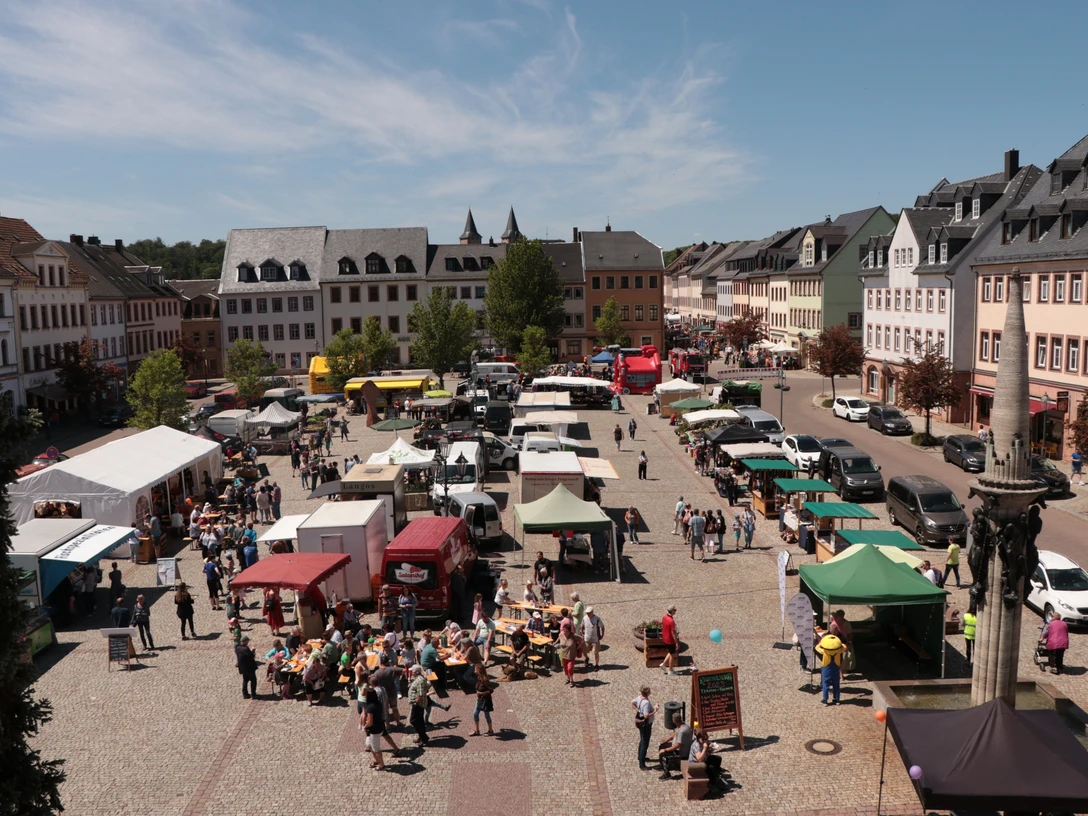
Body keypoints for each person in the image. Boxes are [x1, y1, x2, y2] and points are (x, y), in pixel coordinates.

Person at [657, 711, 693, 779]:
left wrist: (665, 750)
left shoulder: (683, 731)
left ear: (673, 721)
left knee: (663, 755)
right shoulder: (681, 725)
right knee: (661, 746)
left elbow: (677, 745)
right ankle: (663, 765)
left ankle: (667, 773)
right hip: (676, 747)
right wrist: (665, 741)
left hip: (681, 753)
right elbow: (675, 733)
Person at [632, 686, 659, 771]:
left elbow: (632, 702)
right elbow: (646, 715)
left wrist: (638, 710)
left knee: (642, 739)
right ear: (648, 693)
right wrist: (655, 710)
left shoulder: (639, 698)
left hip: (640, 722)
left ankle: (640, 757)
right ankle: (642, 764)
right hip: (646, 724)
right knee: (645, 742)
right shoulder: (646, 703)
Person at [815, 633, 846, 705]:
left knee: (825, 684)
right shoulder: (839, 650)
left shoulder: (825, 651)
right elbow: (844, 646)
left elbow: (817, 647)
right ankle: (837, 699)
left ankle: (825, 700)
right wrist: (838, 643)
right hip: (836, 668)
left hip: (826, 668)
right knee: (836, 684)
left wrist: (822, 642)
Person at [406, 665, 433, 746]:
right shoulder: (418, 678)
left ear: (416, 672)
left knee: (413, 721)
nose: (411, 672)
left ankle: (424, 738)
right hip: (418, 704)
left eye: (413, 671)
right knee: (419, 721)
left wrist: (416, 703)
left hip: (418, 704)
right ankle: (421, 736)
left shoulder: (420, 680)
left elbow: (420, 694)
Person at [471, 665, 495, 736]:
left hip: (485, 701)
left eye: (476, 669)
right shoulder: (479, 678)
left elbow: (491, 690)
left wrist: (482, 693)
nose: (474, 671)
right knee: (475, 713)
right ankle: (477, 730)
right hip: (479, 700)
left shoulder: (485, 680)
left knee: (487, 715)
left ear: (479, 671)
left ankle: (490, 730)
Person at [236, 635, 259, 699]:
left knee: (245, 680)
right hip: (249, 667)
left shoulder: (237, 648)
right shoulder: (246, 648)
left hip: (243, 668)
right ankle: (253, 694)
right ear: (245, 641)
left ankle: (245, 693)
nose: (248, 642)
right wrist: (253, 650)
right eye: (247, 641)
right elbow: (252, 656)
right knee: (253, 680)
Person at [558, 621, 579, 686]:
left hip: (571, 655)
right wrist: (555, 643)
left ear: (569, 631)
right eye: (564, 630)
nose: (564, 632)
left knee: (570, 668)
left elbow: (581, 639)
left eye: (566, 631)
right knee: (565, 668)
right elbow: (559, 638)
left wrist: (578, 646)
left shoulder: (573, 636)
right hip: (563, 655)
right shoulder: (561, 634)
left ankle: (571, 679)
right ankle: (567, 678)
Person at [661, 605, 678, 675]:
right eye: (675, 610)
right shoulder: (671, 621)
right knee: (672, 655)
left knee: (671, 651)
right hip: (670, 640)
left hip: (664, 638)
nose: (675, 611)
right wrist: (677, 642)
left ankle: (663, 664)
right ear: (672, 611)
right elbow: (673, 633)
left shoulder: (664, 617)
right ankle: (670, 670)